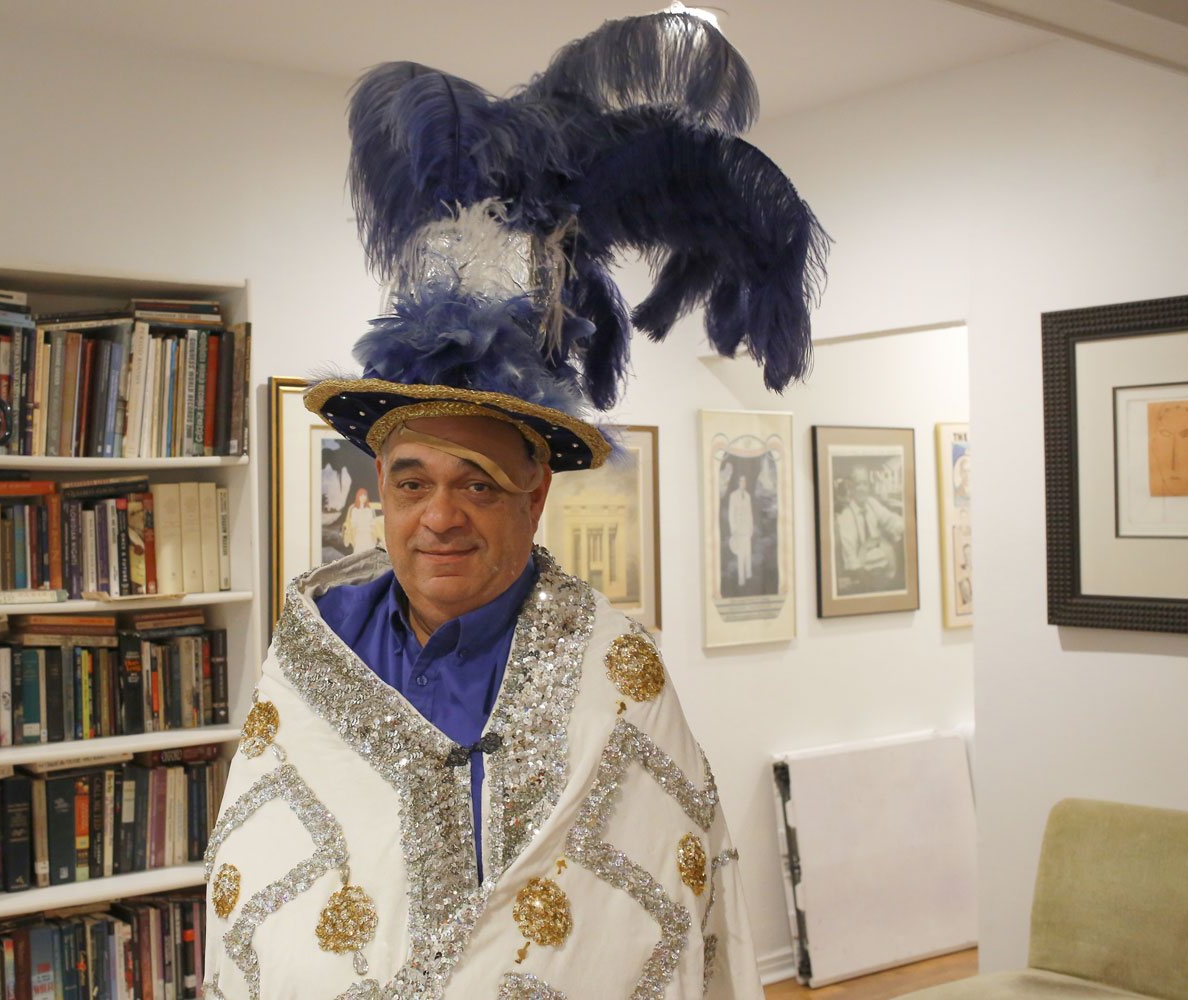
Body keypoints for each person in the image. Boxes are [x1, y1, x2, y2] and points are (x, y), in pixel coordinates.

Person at [202, 9, 825, 998]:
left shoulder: (619, 677)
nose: (439, 515)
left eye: (477, 484)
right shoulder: (309, 650)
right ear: (381, 495)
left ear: (535, 500)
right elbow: (253, 880)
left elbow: (664, 902)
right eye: (412, 482)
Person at [833, 465, 904, 590]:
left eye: (865, 484)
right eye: (858, 484)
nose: (862, 489)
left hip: (881, 567)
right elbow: (851, 559)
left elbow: (891, 520)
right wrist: (869, 582)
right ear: (851, 487)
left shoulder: (871, 504)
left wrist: (901, 528)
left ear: (869, 486)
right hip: (859, 574)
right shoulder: (845, 517)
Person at [726, 473, 755, 588]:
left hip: (747, 528)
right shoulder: (733, 496)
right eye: (741, 481)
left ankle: (748, 575)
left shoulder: (748, 496)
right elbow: (731, 514)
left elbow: (750, 513)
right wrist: (733, 529)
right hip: (738, 529)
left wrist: (751, 528)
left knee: (747, 552)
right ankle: (741, 579)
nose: (743, 483)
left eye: (745, 481)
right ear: (738, 482)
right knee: (740, 554)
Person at [341, 487, 383, 554]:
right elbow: (354, 526)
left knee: (370, 554)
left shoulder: (369, 510)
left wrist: (374, 537)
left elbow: (372, 524)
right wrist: (354, 539)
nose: (363, 497)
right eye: (361, 495)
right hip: (359, 536)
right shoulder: (355, 510)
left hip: (369, 536)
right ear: (358, 497)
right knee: (359, 554)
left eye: (364, 495)